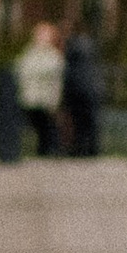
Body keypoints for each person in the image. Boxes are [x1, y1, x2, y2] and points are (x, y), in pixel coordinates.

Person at [12, 20, 65, 158]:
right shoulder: (29, 53)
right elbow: (20, 69)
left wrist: (55, 100)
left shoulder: (53, 56)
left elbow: (55, 79)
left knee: (47, 127)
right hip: (29, 96)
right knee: (37, 125)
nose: (39, 37)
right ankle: (41, 151)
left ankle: (50, 151)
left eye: (43, 34)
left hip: (45, 98)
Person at [61, 22, 105, 159]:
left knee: (78, 121)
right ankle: (92, 149)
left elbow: (68, 73)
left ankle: (79, 149)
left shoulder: (71, 49)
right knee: (90, 120)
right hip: (92, 89)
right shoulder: (89, 47)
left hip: (76, 89)